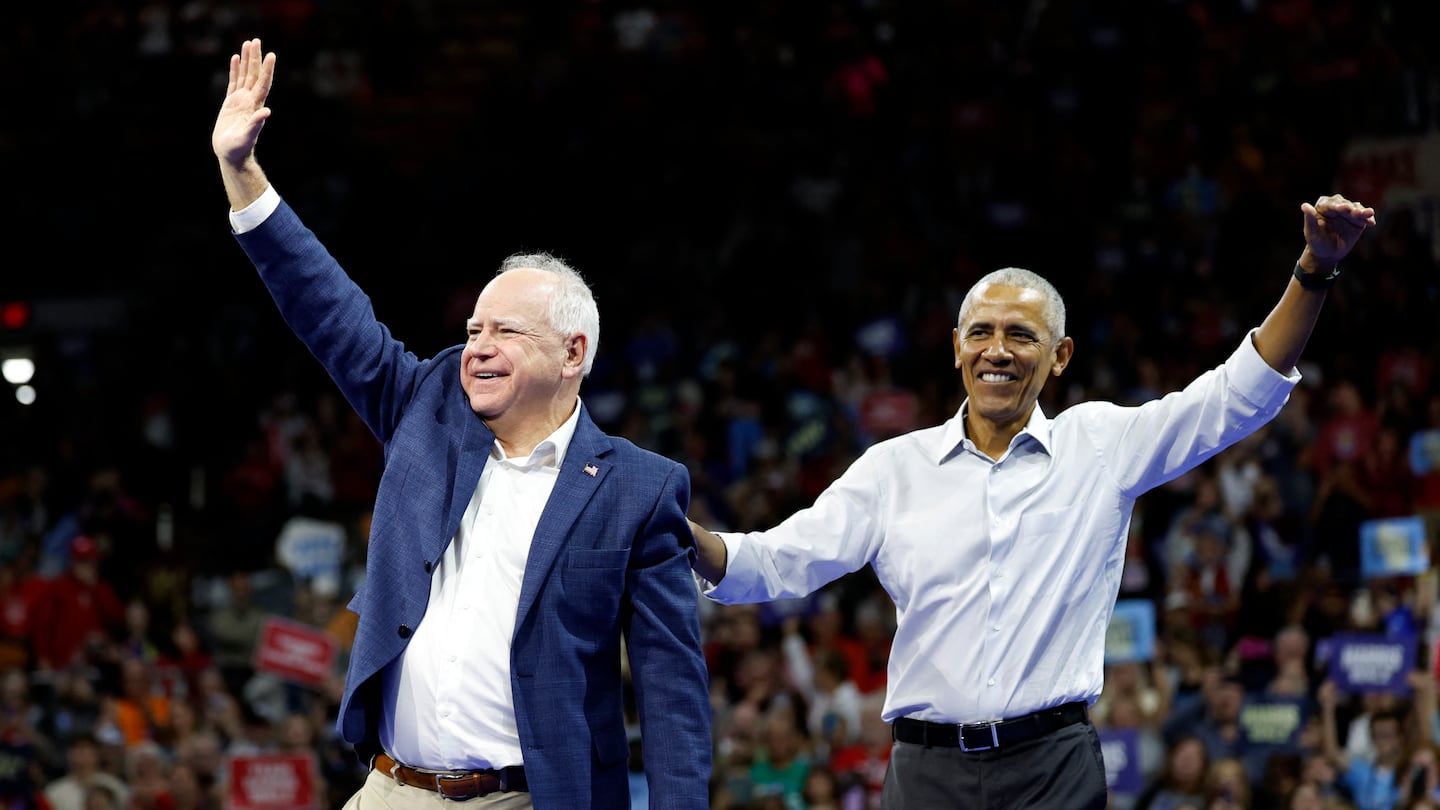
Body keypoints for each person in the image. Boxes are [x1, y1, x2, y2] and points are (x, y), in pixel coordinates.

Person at [688, 189, 1377, 807]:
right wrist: (683, 535)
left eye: (1022, 335)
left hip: (1053, 771)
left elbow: (1235, 396)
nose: (999, 349)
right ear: (956, 347)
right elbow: (777, 562)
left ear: (1061, 355)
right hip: (926, 777)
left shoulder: (1100, 446)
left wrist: (1313, 274)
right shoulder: (892, 470)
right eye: (982, 332)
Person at [210, 38, 711, 809]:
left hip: (528, 799)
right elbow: (330, 311)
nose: (476, 346)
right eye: (474, 329)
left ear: (573, 351)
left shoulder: (640, 490)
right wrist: (244, 175)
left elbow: (672, 697)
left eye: (504, 331)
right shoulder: (427, 412)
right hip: (391, 788)